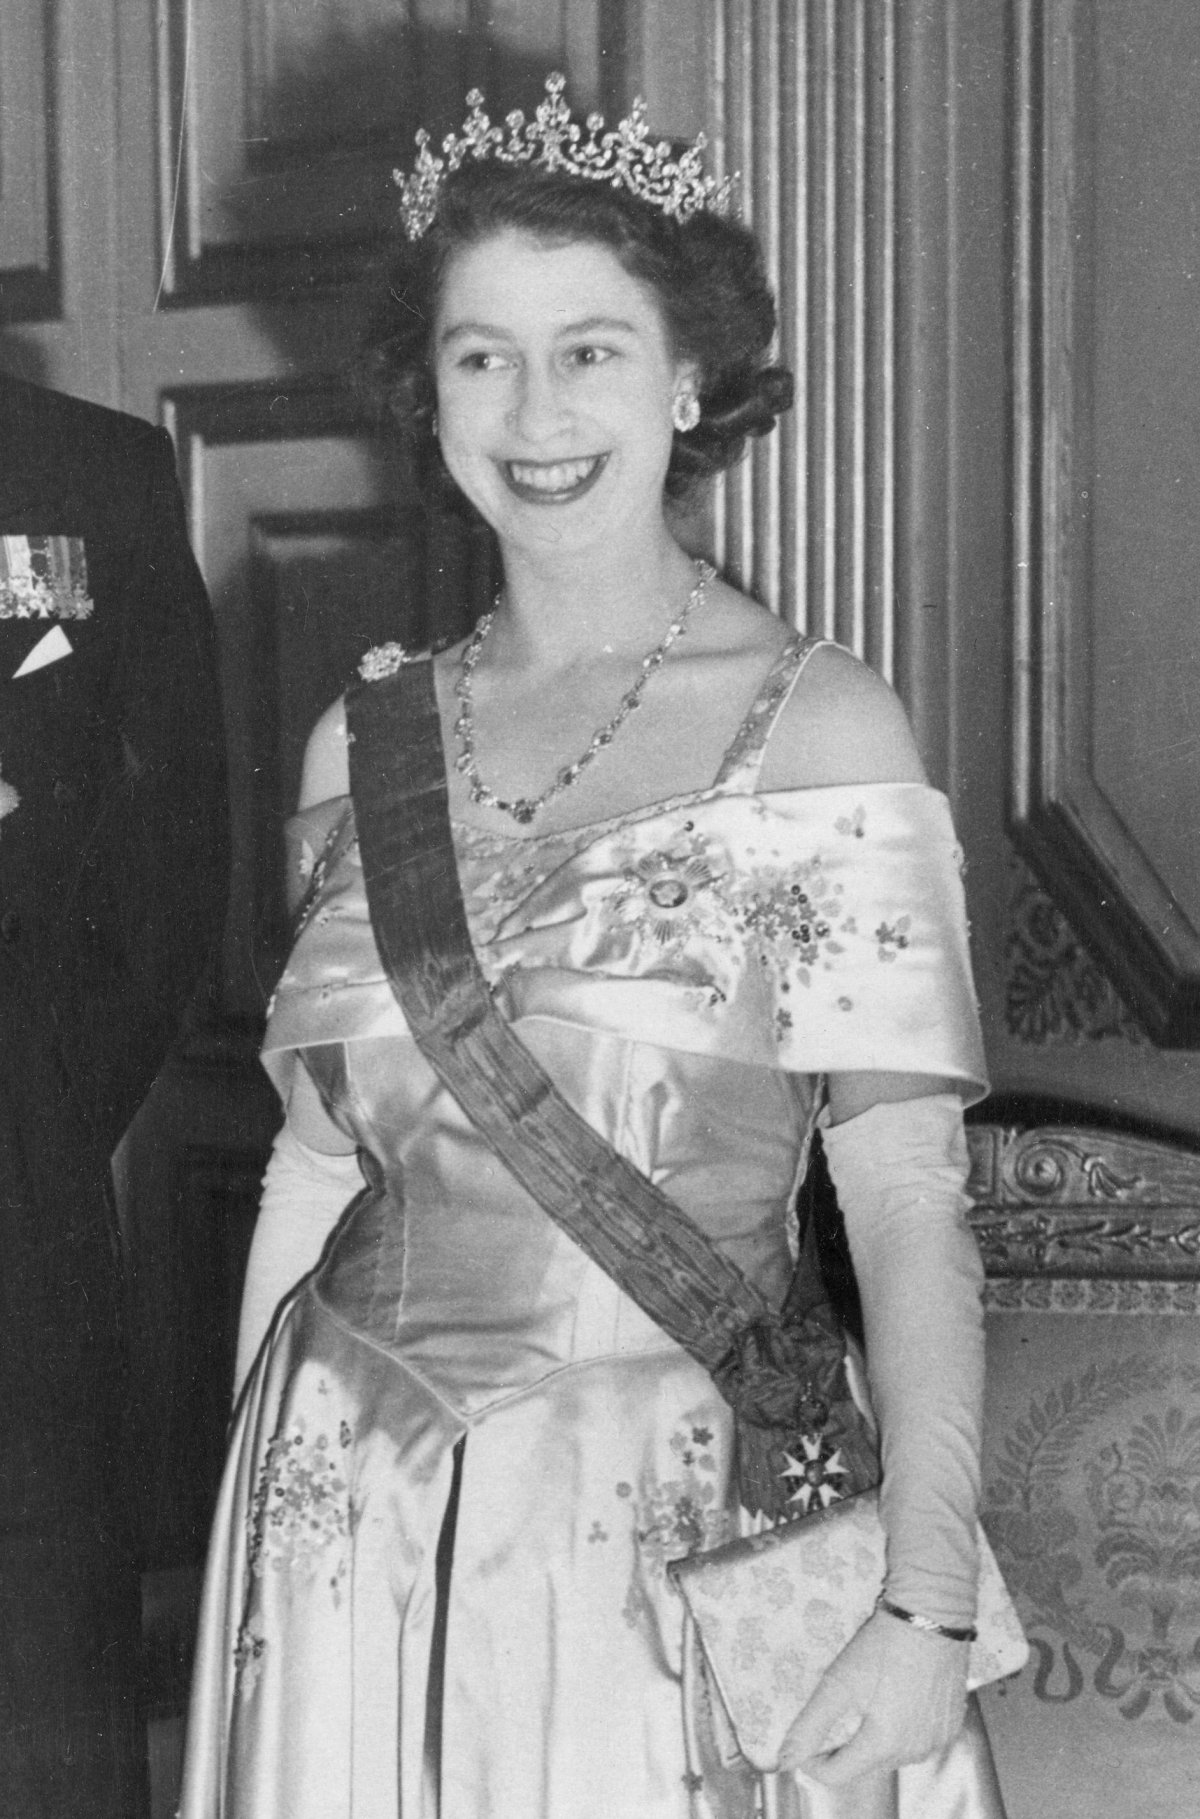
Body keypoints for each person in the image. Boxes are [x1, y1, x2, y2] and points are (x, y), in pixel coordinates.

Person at [180, 76, 1005, 1819]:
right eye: (484, 356)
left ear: (688, 378)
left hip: (674, 1527)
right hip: (351, 1505)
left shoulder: (820, 728)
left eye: (591, 350)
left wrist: (926, 1602)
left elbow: (906, 1196)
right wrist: (241, 1558)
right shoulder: (364, 745)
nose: (535, 410)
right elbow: (313, 1179)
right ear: (432, 396)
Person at [0, 375, 229, 1815]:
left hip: (10, 1161)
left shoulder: (87, 469)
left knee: (37, 1666)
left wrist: (46, 1103)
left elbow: (176, 832)